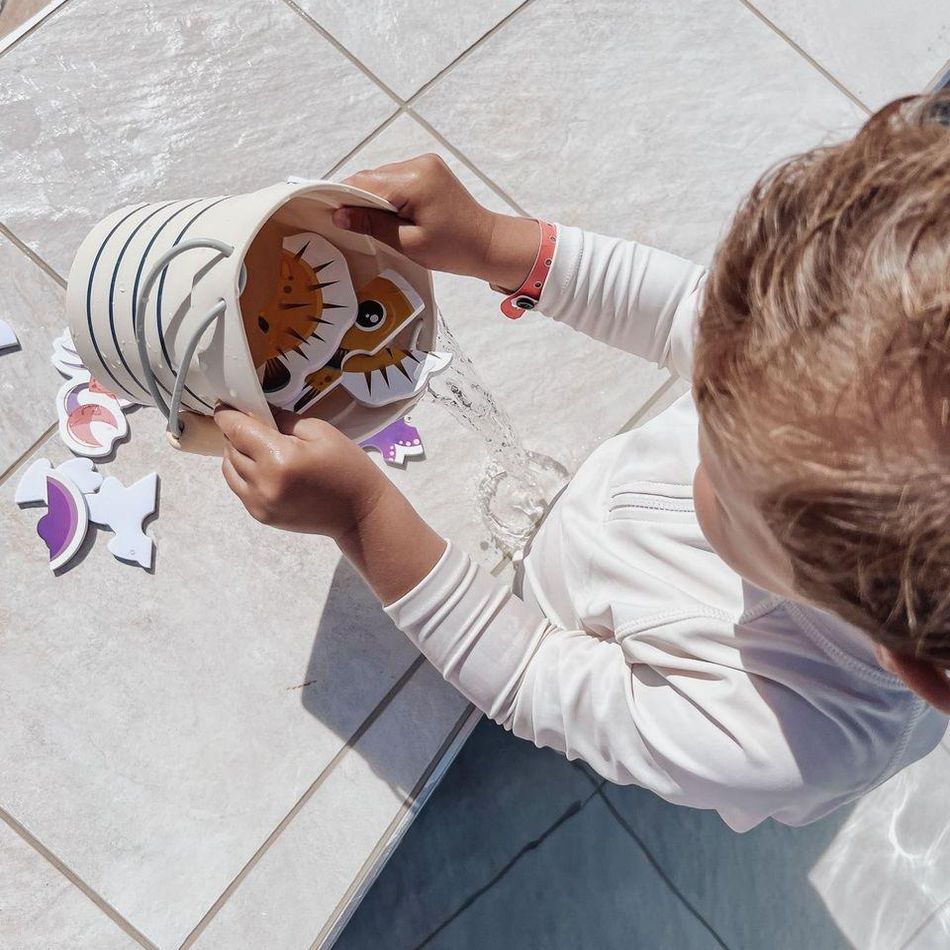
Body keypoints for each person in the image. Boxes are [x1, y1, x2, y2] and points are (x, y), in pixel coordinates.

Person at [213, 94, 950, 830]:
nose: (699, 425)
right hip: (617, 556)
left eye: (721, 474)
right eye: (710, 398)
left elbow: (533, 677)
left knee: (594, 716)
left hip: (587, 633)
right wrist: (494, 242)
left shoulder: (772, 739)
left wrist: (360, 514)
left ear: (915, 668)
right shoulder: (838, 354)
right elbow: (677, 310)